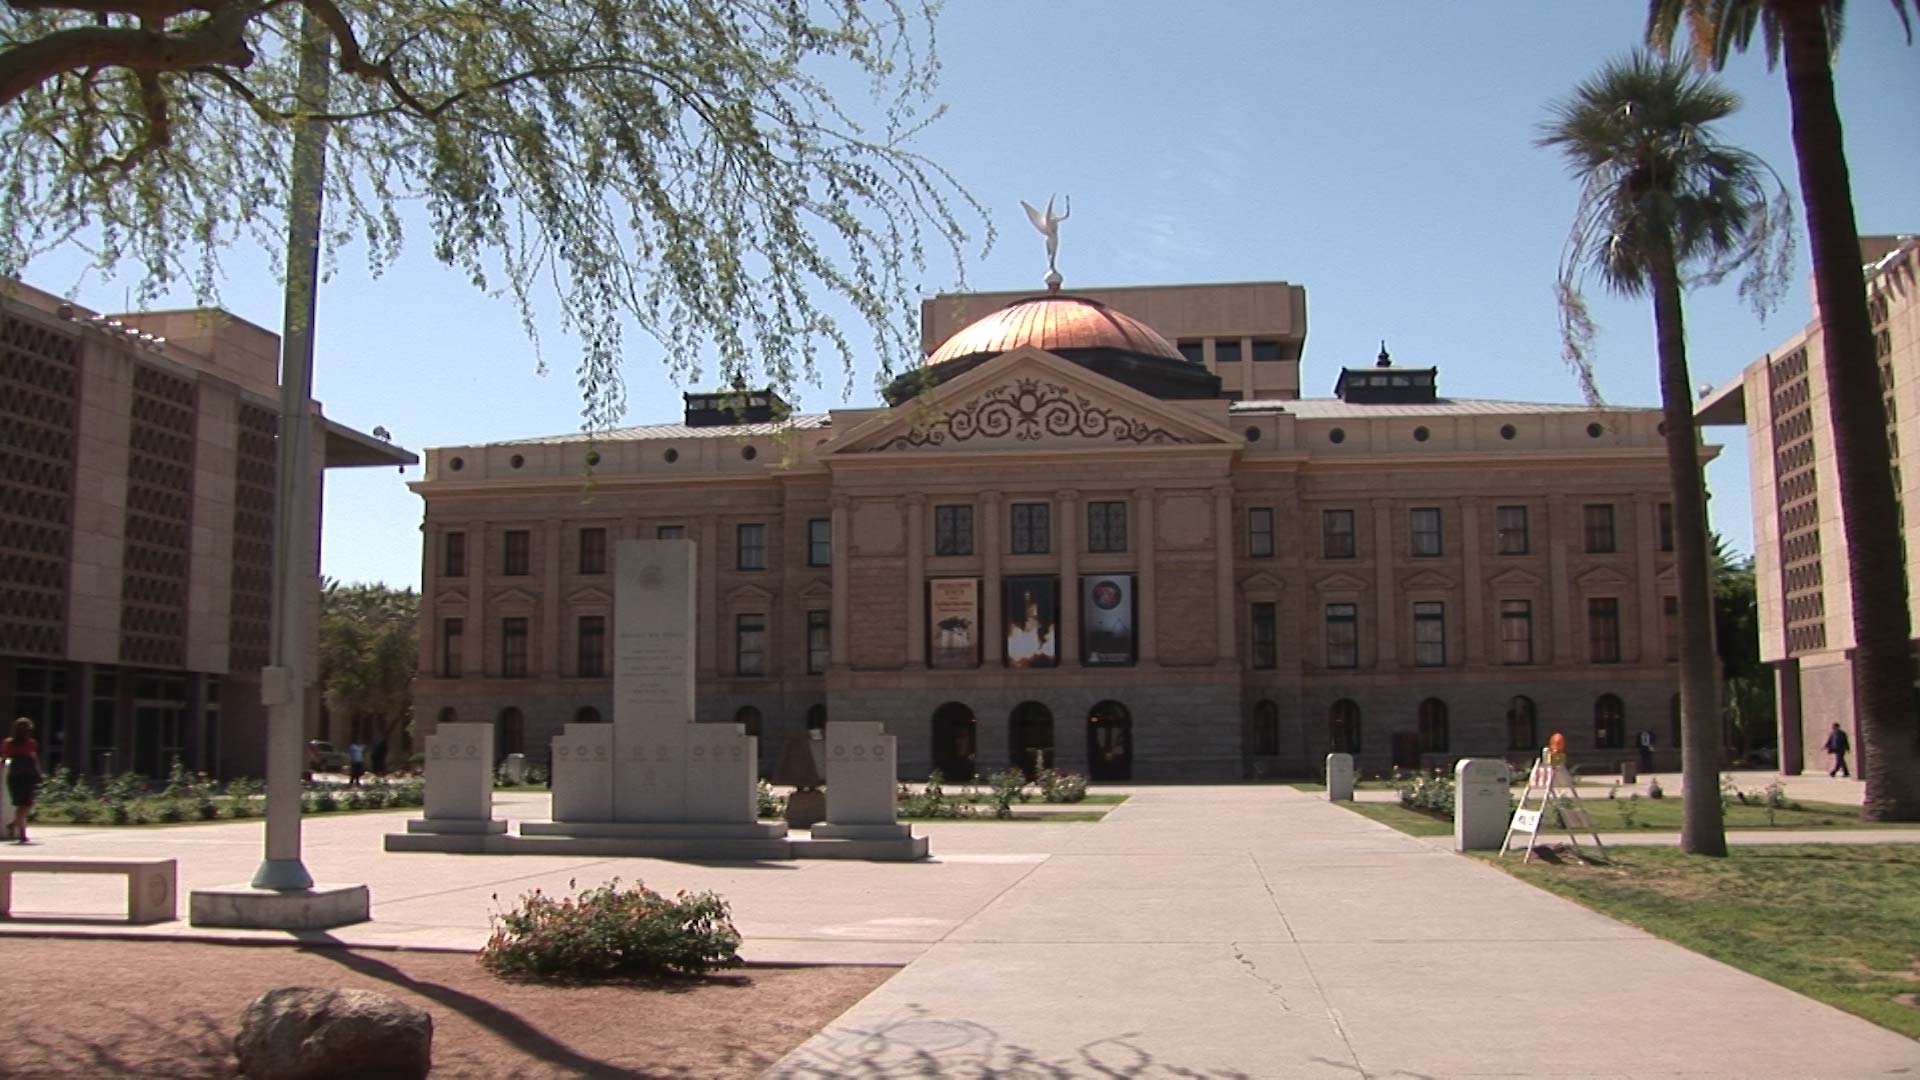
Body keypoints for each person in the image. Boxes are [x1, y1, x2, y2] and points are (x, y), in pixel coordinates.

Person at [4, 718, 42, 844]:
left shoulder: (10, 743)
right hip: (25, 775)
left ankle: (14, 825)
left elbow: (4, 758)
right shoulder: (29, 743)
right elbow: (33, 759)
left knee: (23, 805)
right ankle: (22, 833)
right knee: (25, 804)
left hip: (17, 775)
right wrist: (38, 772)